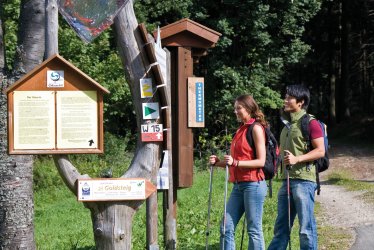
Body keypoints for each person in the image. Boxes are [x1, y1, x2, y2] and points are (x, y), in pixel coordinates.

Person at [268, 85, 325, 250]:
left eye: (289, 98)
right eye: (285, 97)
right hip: (286, 181)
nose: (285, 100)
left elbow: (320, 150)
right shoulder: (287, 124)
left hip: (304, 181)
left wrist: (297, 158)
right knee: (281, 228)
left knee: (306, 229)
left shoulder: (310, 123)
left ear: (300, 102)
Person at [209, 94, 268, 250]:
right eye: (234, 109)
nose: (235, 111)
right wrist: (218, 163)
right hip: (238, 185)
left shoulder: (256, 128)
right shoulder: (240, 130)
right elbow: (233, 163)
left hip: (253, 184)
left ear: (249, 108)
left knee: (254, 230)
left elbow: (261, 161)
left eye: (239, 108)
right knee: (225, 227)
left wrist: (236, 162)